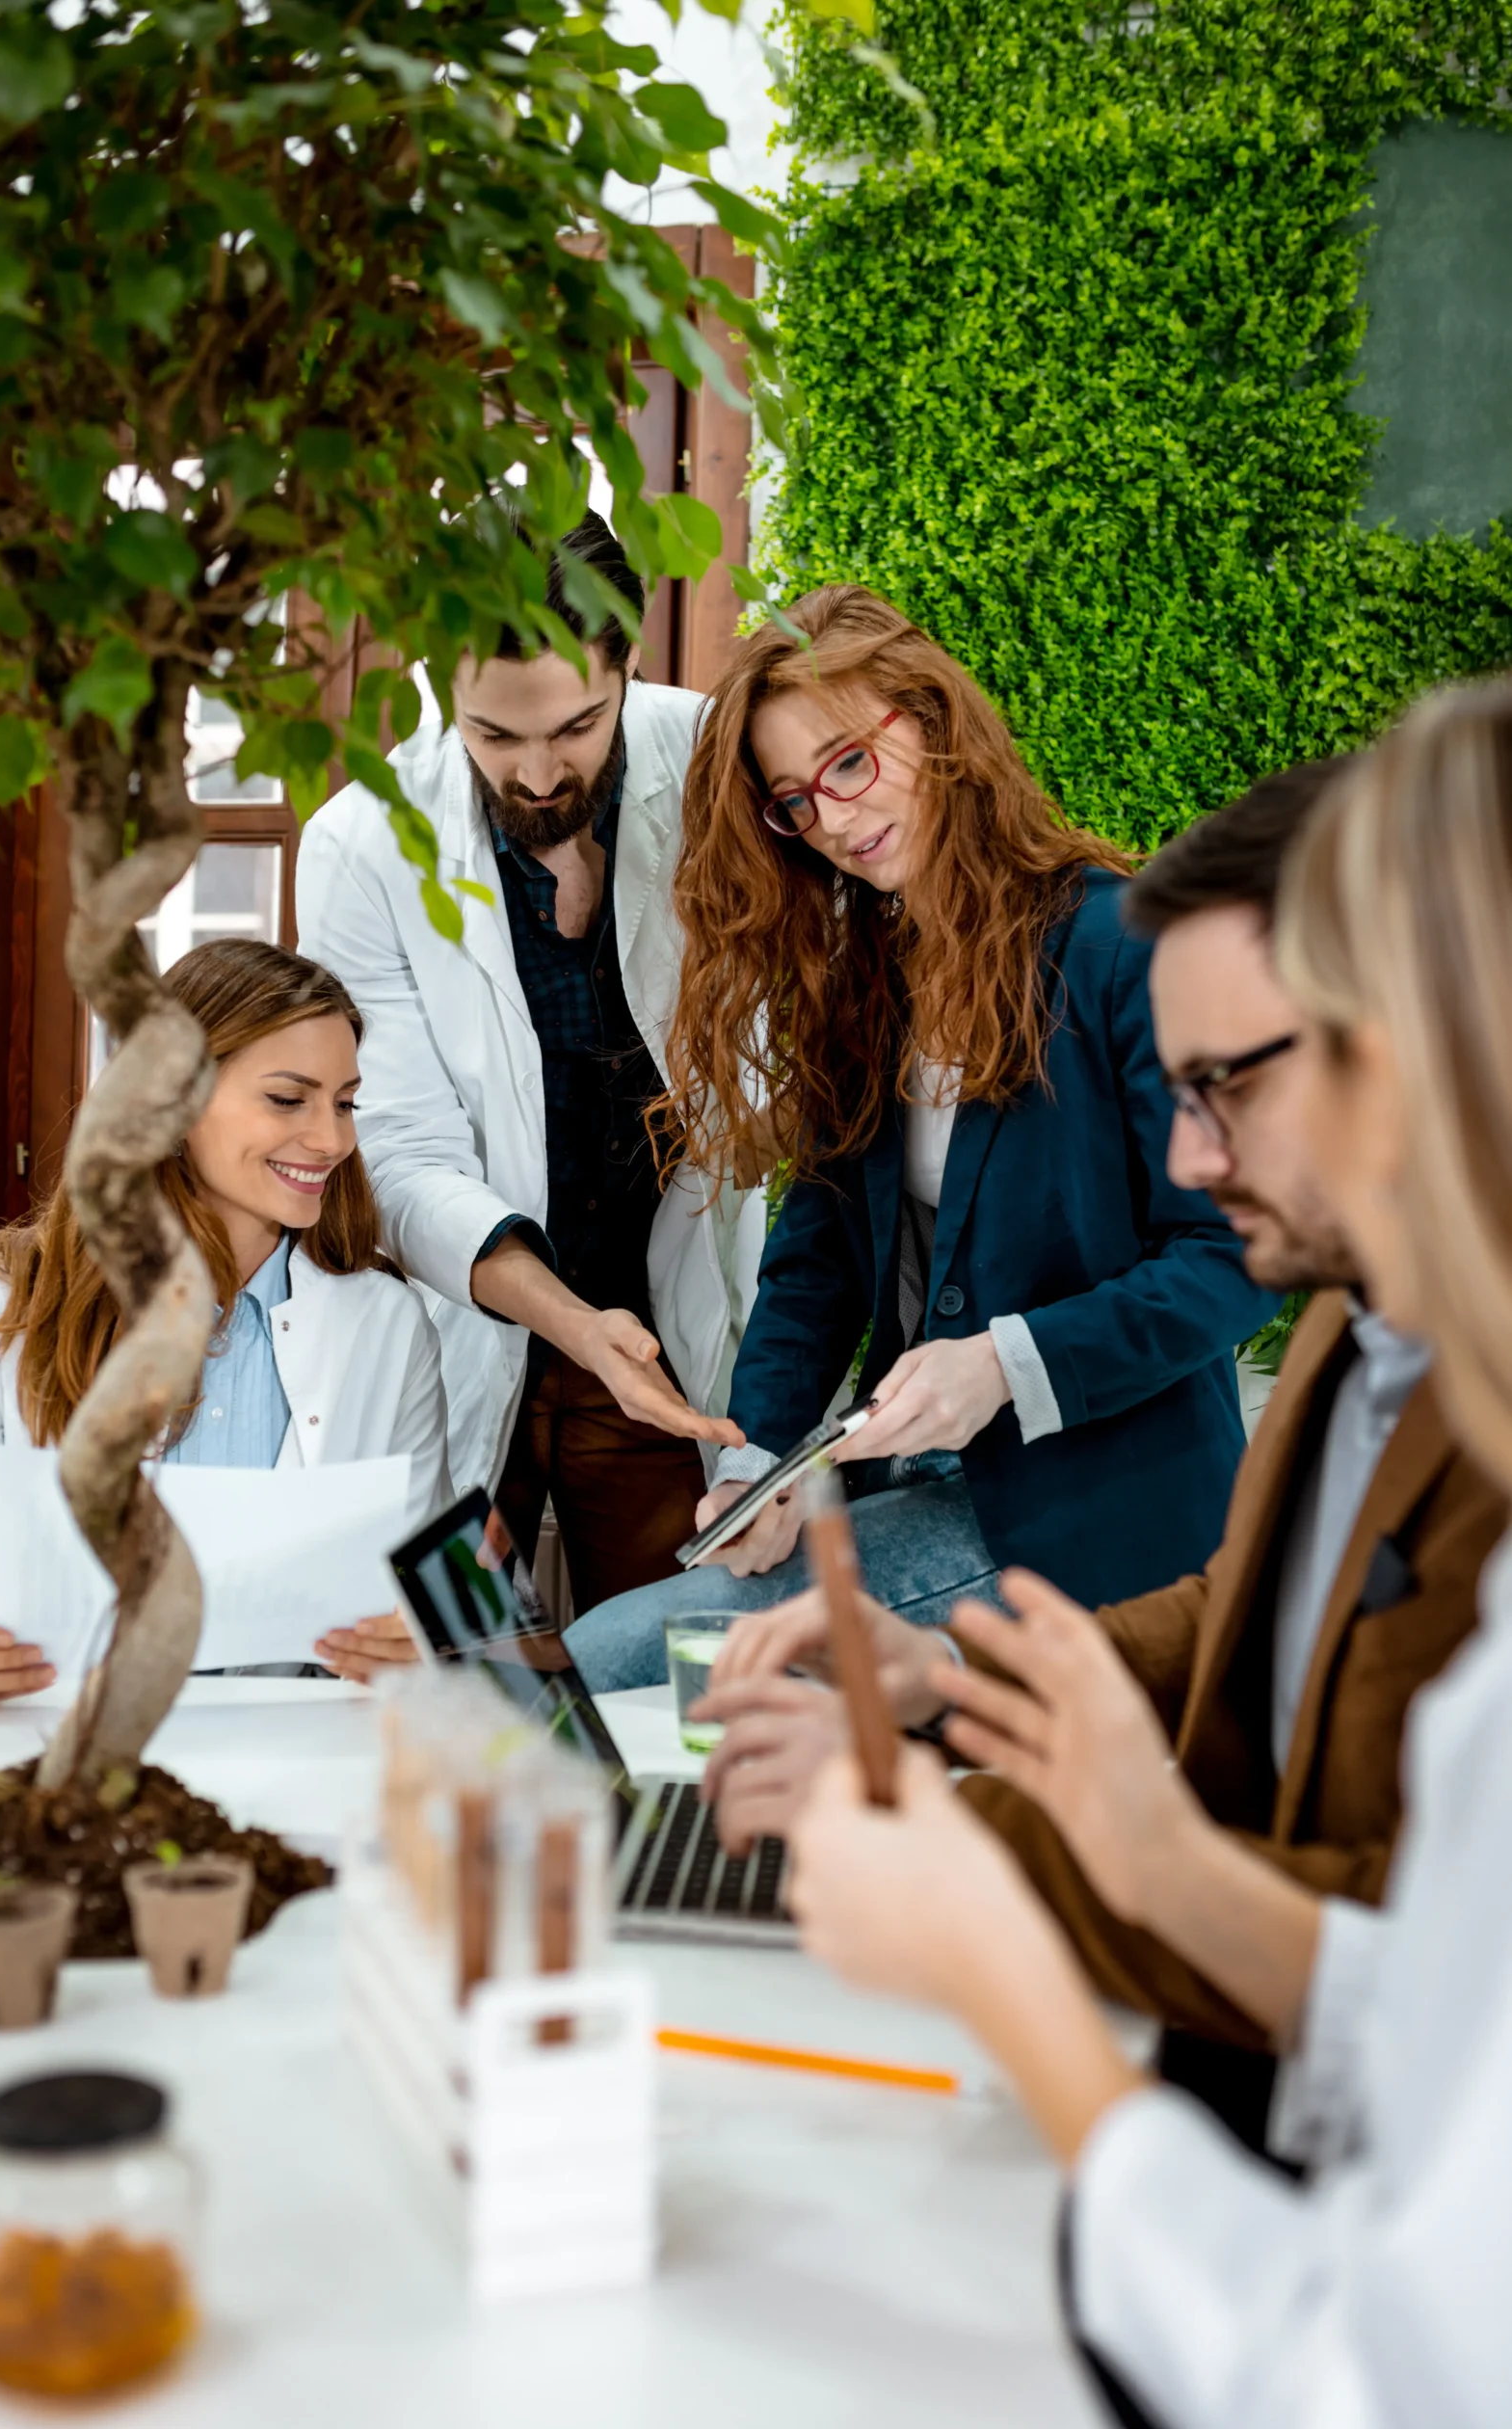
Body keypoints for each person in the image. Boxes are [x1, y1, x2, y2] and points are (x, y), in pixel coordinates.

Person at [787, 679, 1512, 2428]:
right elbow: (1254, 1624)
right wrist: (951, 1680)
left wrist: (1000, 1934)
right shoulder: (1354, 1323)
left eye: (1221, 1087)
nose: (1183, 1156)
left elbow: (1362, 2374)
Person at [564, 585, 1268, 1692]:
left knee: (620, 1661)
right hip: (915, 1489)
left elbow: (1236, 1257)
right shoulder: (870, 980)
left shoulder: (1122, 946)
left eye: (849, 762)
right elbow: (818, 1260)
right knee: (650, 1671)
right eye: (795, 802)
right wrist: (755, 1465)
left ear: (933, 720)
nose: (835, 820)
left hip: (1095, 1530)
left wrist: (1006, 1364)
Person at [296, 511, 756, 1614]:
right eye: (494, 735)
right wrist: (571, 1327)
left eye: (577, 726)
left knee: (670, 1661)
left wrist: (612, 1344)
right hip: (463, 1343)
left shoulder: (719, 770)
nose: (539, 771)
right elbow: (400, 1156)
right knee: (457, 1670)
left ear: (627, 662)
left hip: (662, 1349)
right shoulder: (364, 845)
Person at [0, 939, 450, 1699]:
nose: (333, 1140)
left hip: (289, 1739)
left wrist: (420, 1639)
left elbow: (436, 1598)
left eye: (344, 1103)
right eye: (288, 1099)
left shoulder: (387, 1324)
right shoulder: (13, 1294)